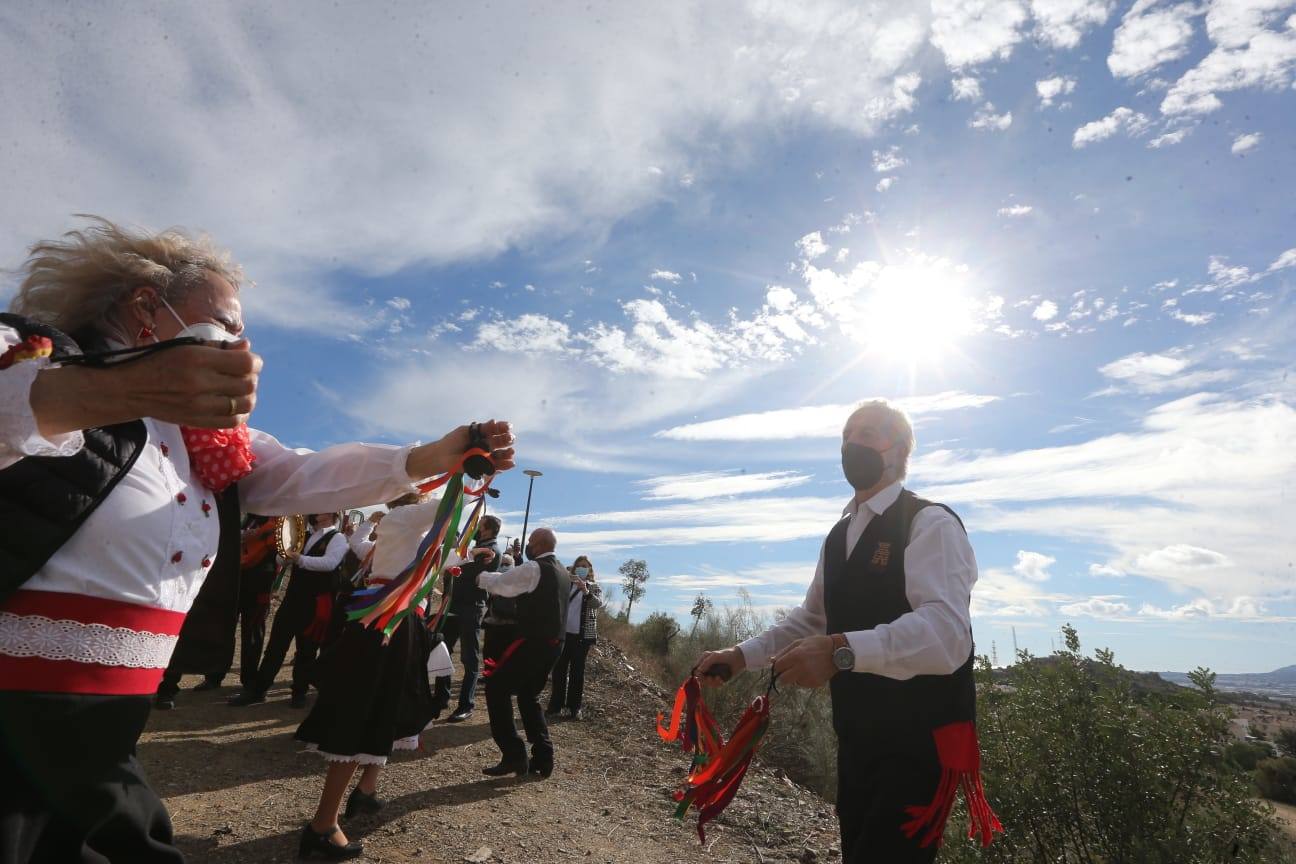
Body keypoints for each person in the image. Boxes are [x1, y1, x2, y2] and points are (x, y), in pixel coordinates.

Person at [0, 216, 516, 863]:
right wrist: (117, 388)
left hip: (103, 741)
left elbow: (308, 474)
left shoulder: (207, 444)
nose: (242, 344)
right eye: (226, 323)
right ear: (145, 311)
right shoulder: (41, 360)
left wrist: (430, 455)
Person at [695, 400, 992, 864]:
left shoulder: (929, 522)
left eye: (868, 434)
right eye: (847, 435)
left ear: (898, 451)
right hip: (857, 733)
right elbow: (811, 619)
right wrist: (739, 654)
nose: (853, 443)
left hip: (919, 743)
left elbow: (948, 633)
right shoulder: (839, 535)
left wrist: (841, 650)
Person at [294, 490, 479, 859]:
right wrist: (471, 476)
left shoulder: (410, 531)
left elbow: (441, 552)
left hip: (397, 622)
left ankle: (362, 792)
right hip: (387, 623)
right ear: (411, 500)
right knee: (362, 716)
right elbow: (452, 507)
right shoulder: (404, 518)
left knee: (383, 711)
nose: (432, 494)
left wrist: (464, 556)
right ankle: (322, 824)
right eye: (426, 491)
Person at [229, 512, 349, 708]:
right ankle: (258, 690)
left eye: (322, 509)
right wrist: (284, 556)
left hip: (315, 602)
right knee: (275, 647)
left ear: (332, 513)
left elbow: (329, 564)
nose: (317, 512)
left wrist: (299, 558)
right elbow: (280, 560)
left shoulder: (338, 538)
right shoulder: (305, 535)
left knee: (306, 649)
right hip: (293, 599)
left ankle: (299, 692)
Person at [477, 527, 568, 778]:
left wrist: (478, 575)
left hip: (534, 642)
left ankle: (514, 755)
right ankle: (543, 756)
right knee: (529, 696)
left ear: (537, 544)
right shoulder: (562, 570)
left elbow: (502, 585)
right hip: (555, 644)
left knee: (496, 687)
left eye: (530, 542)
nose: (527, 546)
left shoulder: (534, 568)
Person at [440, 514, 503, 723]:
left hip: (472, 607)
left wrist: (458, 566)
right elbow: (451, 570)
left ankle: (466, 705)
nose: (475, 527)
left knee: (469, 657)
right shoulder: (470, 547)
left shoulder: (493, 551)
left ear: (489, 530)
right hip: (454, 605)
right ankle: (441, 697)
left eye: (480, 525)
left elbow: (470, 574)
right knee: (444, 651)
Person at [547, 555, 603, 721]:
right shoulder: (567, 584)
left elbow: (597, 603)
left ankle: (574, 708)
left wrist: (585, 590)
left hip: (582, 638)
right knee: (559, 671)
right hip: (563, 635)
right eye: (579, 565)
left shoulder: (594, 587)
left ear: (590, 570)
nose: (582, 569)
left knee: (577, 673)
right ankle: (555, 706)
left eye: (585, 566)